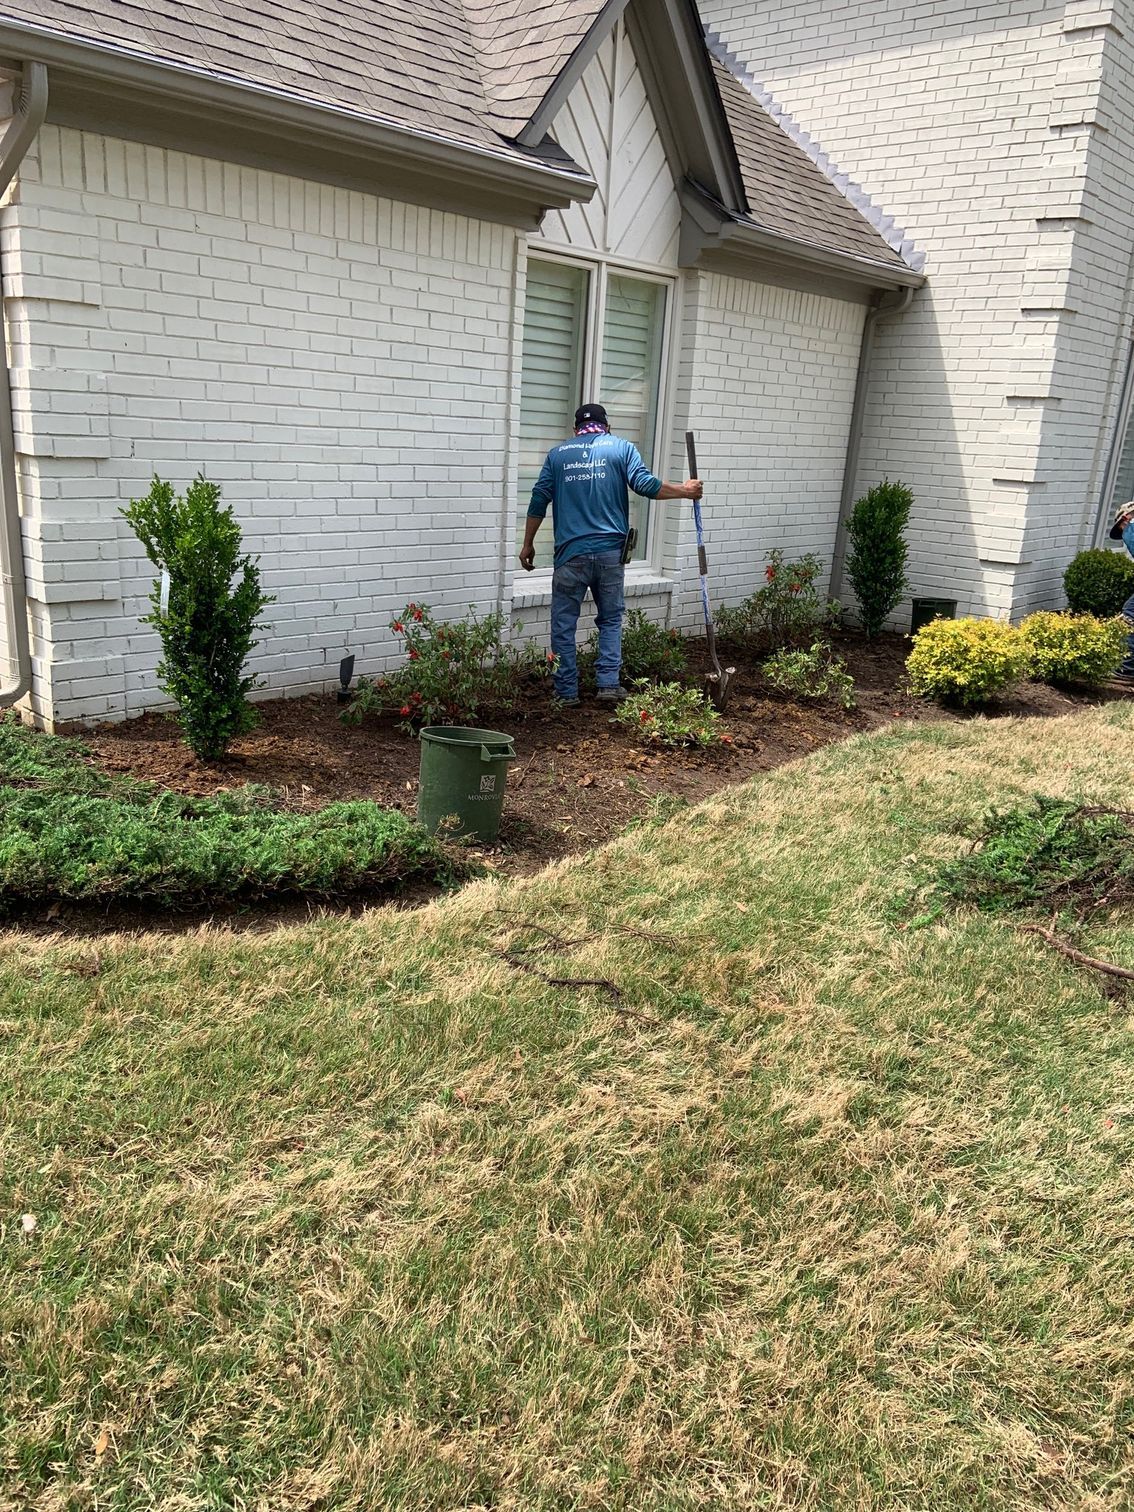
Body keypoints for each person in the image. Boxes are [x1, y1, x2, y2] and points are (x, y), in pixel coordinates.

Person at [519, 403, 703, 706]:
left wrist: (527, 543)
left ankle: (566, 693)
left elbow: (539, 500)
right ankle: (607, 684)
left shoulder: (557, 455)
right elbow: (646, 485)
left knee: (563, 624)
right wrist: (685, 490)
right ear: (607, 425)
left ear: (575, 429)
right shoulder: (621, 448)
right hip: (609, 554)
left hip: (570, 555)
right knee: (610, 619)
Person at [1108, 498, 1134, 680]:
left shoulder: (1131, 529)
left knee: (1130, 612)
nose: (1122, 534)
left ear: (1125, 518)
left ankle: (1127, 667)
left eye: (1121, 527)